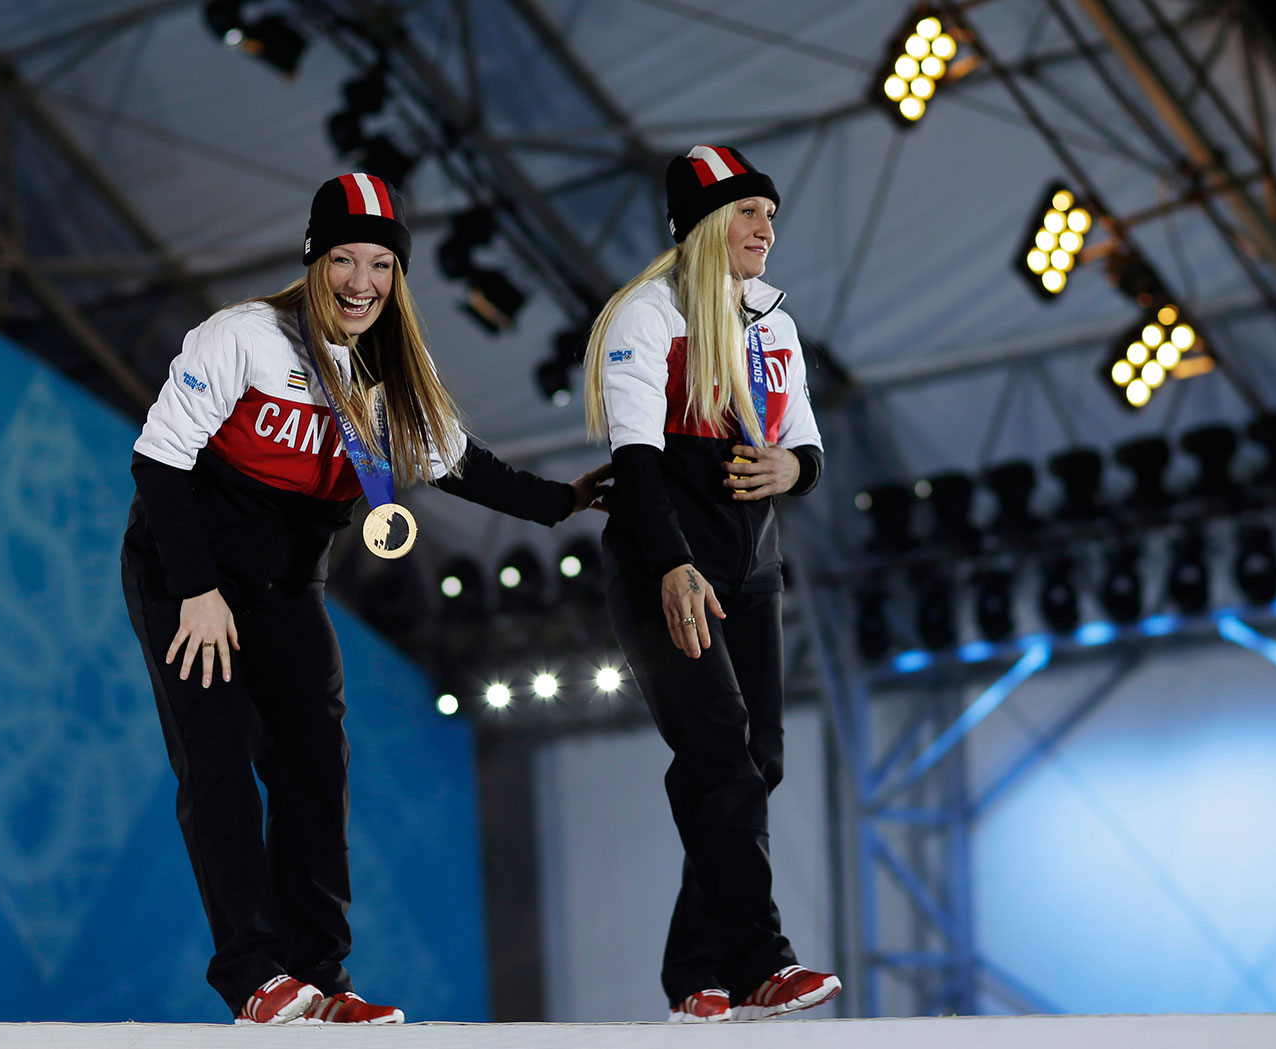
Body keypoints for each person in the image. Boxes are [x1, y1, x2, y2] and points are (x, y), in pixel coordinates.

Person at [121, 172, 610, 1025]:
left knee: (316, 762)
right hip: (186, 570)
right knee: (219, 761)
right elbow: (159, 462)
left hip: (288, 588)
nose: (361, 282)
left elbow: (465, 465)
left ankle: (320, 976)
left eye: (381, 264)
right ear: (315, 261)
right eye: (344, 259)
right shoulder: (243, 336)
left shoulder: (392, 379)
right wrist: (196, 589)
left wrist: (563, 500)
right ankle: (254, 976)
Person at [582, 145, 839, 1022]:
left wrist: (792, 470)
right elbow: (636, 461)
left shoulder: (773, 320)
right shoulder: (646, 316)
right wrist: (671, 565)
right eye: (747, 213)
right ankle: (763, 961)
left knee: (758, 759)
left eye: (770, 214)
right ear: (701, 226)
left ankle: (696, 969)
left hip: (753, 566)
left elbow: (806, 442)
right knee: (720, 749)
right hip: (668, 567)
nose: (766, 229)